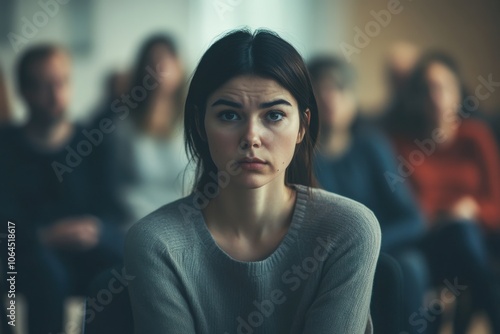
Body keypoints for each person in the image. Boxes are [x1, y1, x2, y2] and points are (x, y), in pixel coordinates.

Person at [124, 29, 381, 334]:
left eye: (273, 116)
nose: (251, 138)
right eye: (229, 116)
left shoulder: (348, 230)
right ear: (200, 124)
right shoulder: (157, 243)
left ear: (303, 126)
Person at [0, 45, 127, 334]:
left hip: (89, 243)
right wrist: (41, 236)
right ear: (24, 91)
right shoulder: (6, 147)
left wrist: (94, 227)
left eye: (61, 83)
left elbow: (111, 207)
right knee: (37, 268)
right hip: (26, 251)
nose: (56, 95)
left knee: (125, 265)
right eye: (44, 86)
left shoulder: (94, 142)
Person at [308, 55, 430, 334]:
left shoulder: (372, 146)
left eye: (339, 89)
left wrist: (371, 245)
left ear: (353, 99)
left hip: (382, 247)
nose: (329, 99)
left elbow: (413, 218)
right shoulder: (298, 155)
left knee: (411, 266)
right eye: (320, 90)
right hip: (321, 257)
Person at [391, 52, 500, 334]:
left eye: (444, 87)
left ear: (458, 92)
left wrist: (473, 209)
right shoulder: (402, 145)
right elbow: (409, 209)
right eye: (428, 89)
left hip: (476, 237)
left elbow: (496, 203)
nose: (436, 96)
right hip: (431, 240)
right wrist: (442, 216)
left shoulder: (476, 136)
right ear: (416, 96)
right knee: (462, 237)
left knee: (465, 234)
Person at [113, 34, 194, 225]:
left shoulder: (194, 122)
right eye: (153, 61)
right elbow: (117, 188)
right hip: (137, 223)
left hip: (188, 223)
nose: (161, 67)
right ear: (142, 69)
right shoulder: (123, 128)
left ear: (180, 65)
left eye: (167, 59)